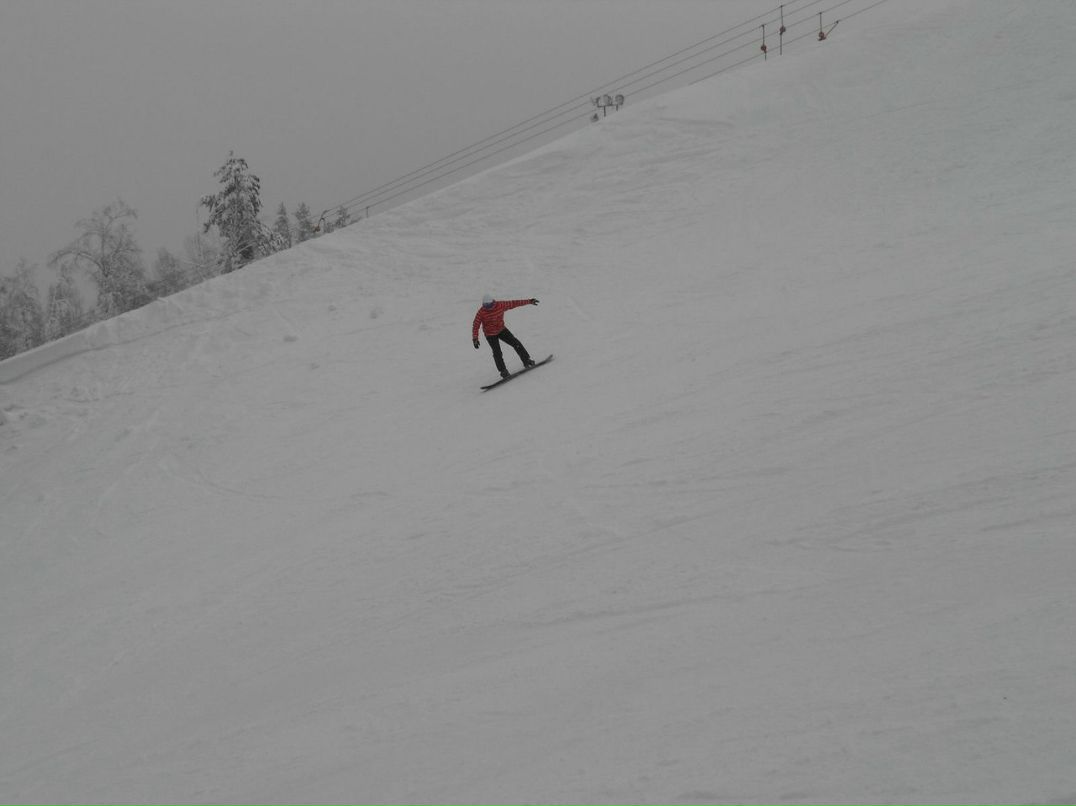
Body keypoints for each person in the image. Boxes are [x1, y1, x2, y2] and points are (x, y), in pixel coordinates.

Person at [472, 293, 539, 378]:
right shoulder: (481, 312)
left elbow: (514, 303)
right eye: (486, 305)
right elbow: (475, 325)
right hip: (490, 334)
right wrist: (475, 338)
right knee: (497, 353)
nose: (488, 307)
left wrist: (529, 301)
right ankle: (503, 371)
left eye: (489, 305)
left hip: (501, 330)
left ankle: (527, 360)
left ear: (493, 302)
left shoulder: (500, 305)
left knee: (515, 343)